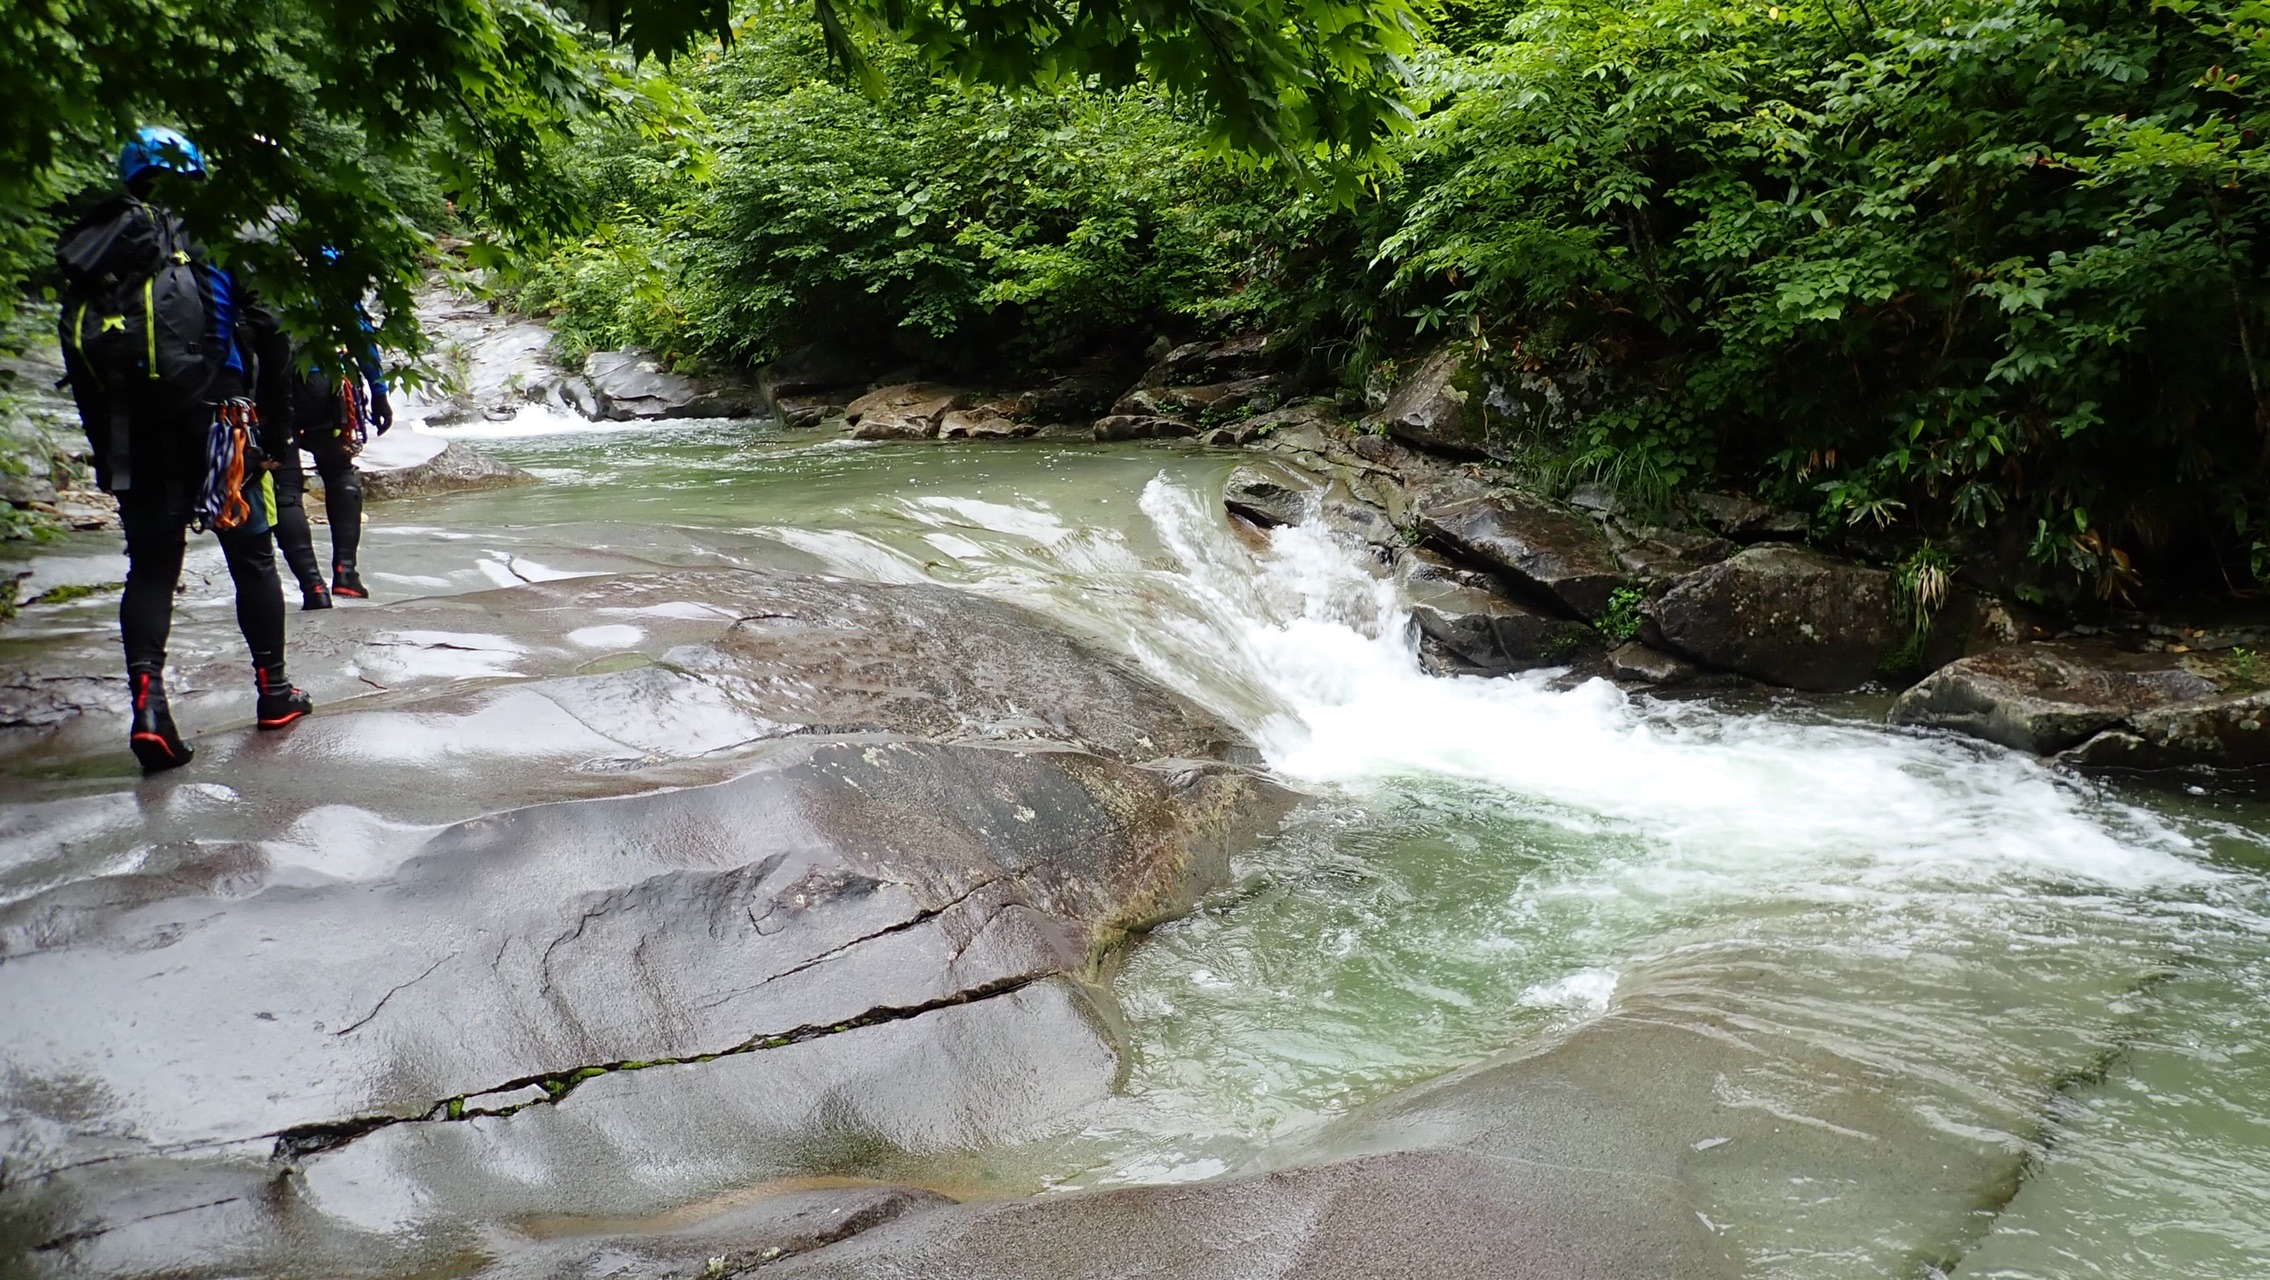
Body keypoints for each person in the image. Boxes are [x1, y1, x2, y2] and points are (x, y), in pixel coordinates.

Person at [55, 126, 313, 774]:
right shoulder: (218, 237)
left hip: (131, 431)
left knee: (150, 567)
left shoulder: (102, 250)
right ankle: (275, 691)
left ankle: (149, 709)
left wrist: (104, 453)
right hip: (219, 425)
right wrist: (277, 433)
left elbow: (83, 364)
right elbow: (272, 333)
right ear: (195, 173)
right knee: (251, 554)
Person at [262, 276, 392, 609]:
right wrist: (378, 390)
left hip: (268, 382)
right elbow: (358, 329)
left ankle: (313, 588)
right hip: (324, 380)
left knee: (285, 487)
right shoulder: (326, 260)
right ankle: (346, 573)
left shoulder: (246, 259)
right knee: (338, 471)